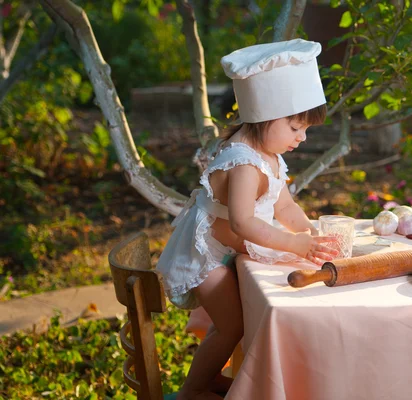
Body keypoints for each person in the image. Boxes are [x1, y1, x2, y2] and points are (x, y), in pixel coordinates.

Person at [157, 38, 339, 400]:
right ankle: (192, 391)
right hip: (204, 256)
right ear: (266, 117)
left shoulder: (267, 152)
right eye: (295, 127)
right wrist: (293, 243)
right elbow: (242, 222)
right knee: (231, 327)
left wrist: (310, 232)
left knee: (240, 321)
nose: (301, 138)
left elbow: (284, 207)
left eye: (305, 130)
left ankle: (214, 380)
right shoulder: (243, 161)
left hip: (226, 252)